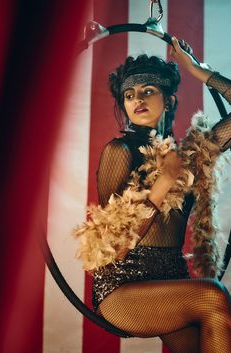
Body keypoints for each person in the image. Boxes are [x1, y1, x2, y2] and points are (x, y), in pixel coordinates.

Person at [75, 37, 231, 353]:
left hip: (171, 283)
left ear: (169, 101)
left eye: (148, 91)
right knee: (213, 296)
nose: (137, 100)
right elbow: (115, 245)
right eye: (129, 95)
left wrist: (196, 69)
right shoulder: (119, 152)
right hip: (122, 290)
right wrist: (163, 182)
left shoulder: (190, 155)